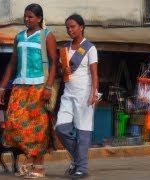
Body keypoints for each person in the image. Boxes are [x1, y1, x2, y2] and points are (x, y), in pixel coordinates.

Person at [0, 3, 57, 179]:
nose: (27, 19)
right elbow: (12, 62)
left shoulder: (47, 36)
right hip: (19, 86)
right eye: (25, 16)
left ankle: (38, 166)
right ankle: (30, 159)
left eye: (30, 16)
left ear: (39, 18)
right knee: (14, 122)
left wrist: (48, 86)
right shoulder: (19, 36)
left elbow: (54, 63)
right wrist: (2, 85)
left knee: (38, 126)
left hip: (39, 85)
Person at [55, 14, 98, 179]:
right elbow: (60, 72)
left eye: (73, 26)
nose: (70, 30)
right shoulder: (65, 50)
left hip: (84, 94)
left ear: (81, 27)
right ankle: (79, 160)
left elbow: (94, 73)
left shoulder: (90, 48)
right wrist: (62, 71)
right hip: (68, 94)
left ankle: (81, 168)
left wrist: (94, 92)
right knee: (60, 128)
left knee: (83, 131)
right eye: (67, 27)